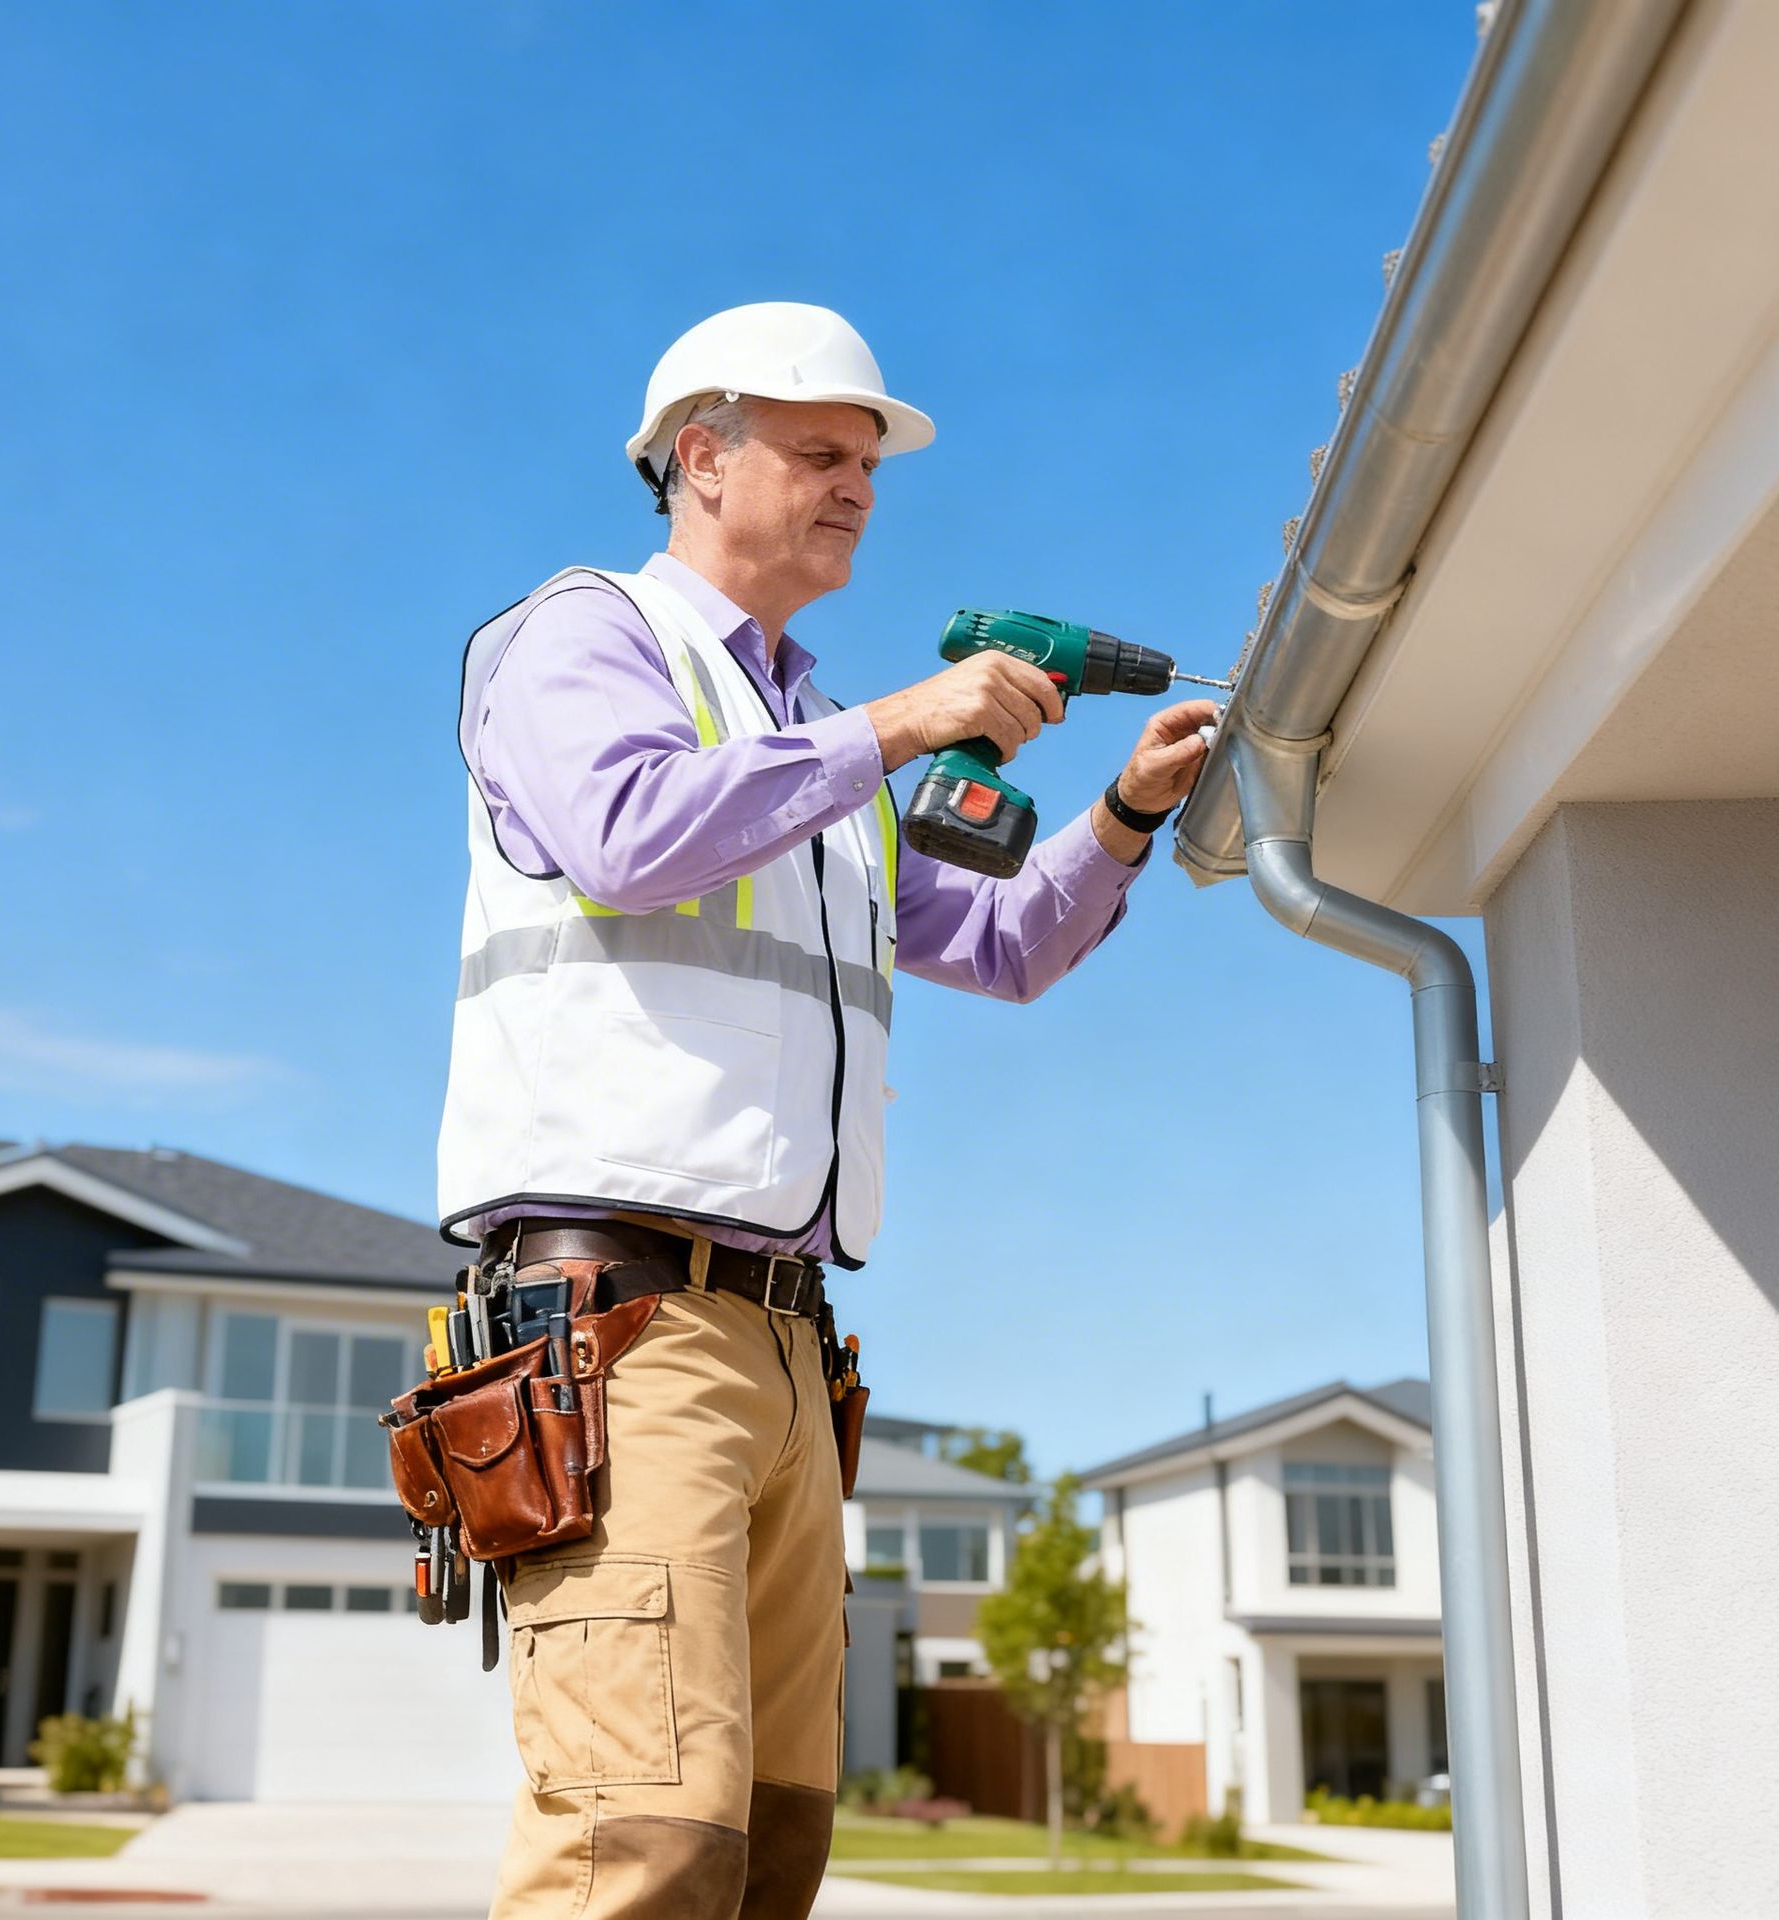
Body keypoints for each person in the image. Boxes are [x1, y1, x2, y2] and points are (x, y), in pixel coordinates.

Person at [438, 303, 1213, 1919]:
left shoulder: (816, 755)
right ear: (700, 458)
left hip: (792, 1349)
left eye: (869, 461)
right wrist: (897, 728)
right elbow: (629, 836)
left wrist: (1126, 811)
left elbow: (999, 944)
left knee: (765, 1850)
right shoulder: (584, 639)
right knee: (636, 1846)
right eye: (822, 451)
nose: (859, 484)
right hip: (624, 1331)